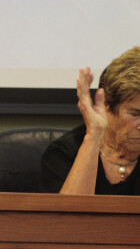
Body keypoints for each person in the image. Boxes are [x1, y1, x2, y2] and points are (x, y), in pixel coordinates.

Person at [39, 46, 140, 195]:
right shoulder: (64, 153)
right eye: (135, 114)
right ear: (107, 104)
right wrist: (94, 136)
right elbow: (68, 216)